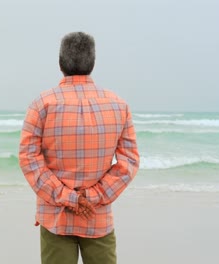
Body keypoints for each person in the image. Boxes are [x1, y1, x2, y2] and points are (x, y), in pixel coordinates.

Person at [18, 32, 140, 264]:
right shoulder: (118, 105)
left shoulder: (41, 104)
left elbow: (29, 160)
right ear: (93, 62)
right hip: (97, 216)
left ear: (60, 63)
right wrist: (92, 196)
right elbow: (129, 163)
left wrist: (68, 197)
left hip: (55, 217)